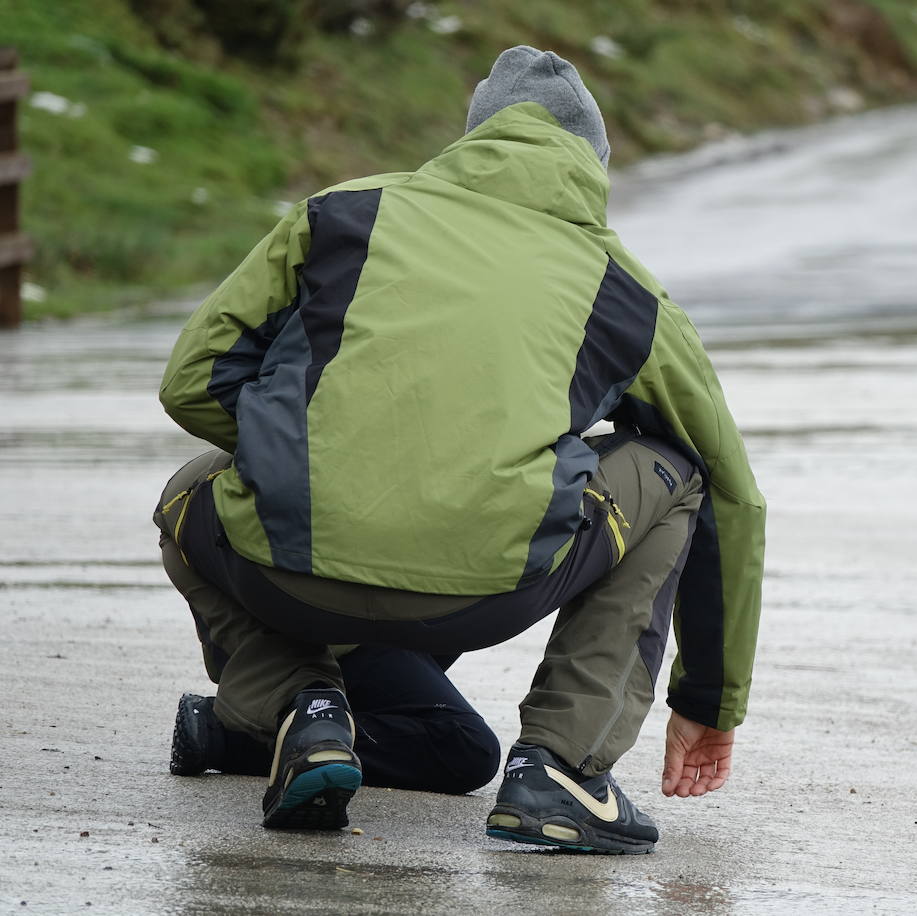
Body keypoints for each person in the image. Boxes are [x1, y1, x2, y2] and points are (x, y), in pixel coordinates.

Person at [153, 45, 765, 854]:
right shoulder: (626, 289)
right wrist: (708, 702)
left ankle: (301, 707)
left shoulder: (343, 213)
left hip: (286, 571)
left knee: (188, 491)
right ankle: (563, 767)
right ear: (592, 161)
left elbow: (192, 378)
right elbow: (731, 489)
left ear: (471, 138)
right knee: (678, 472)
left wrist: (306, 451)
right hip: (492, 587)